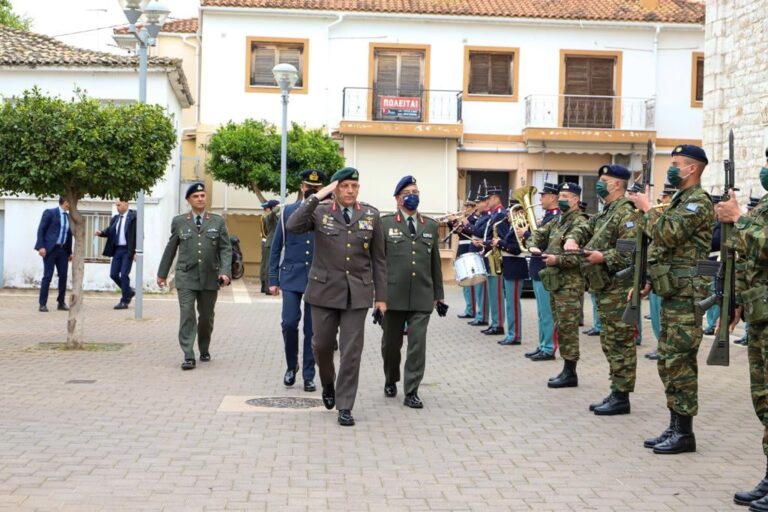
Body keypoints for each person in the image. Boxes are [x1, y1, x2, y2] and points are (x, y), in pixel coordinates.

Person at [285, 167, 387, 427]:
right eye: (344, 186)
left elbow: (379, 260)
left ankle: (345, 405)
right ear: (335, 188)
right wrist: (318, 196)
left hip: (358, 293)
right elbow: (292, 225)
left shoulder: (371, 215)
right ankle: (327, 384)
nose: (350, 190)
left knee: (351, 351)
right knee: (321, 346)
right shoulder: (319, 212)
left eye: (354, 185)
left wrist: (381, 298)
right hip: (323, 291)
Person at [630, 144, 713, 454]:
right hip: (672, 291)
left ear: (692, 169)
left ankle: (685, 433)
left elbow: (667, 235)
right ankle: (675, 425)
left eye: (676, 163)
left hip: (687, 295)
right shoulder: (680, 201)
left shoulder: (698, 203)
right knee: (667, 361)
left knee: (680, 363)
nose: (672, 168)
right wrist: (650, 277)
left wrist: (647, 208)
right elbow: (662, 248)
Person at [716, 153, 768, 510]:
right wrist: (733, 298)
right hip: (760, 312)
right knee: (764, 400)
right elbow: (747, 254)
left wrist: (739, 219)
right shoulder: (764, 206)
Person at [566, 165, 640, 415]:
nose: (599, 184)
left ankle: (622, 396)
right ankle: (615, 390)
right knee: (609, 342)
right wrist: (572, 237)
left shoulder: (627, 213)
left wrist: (603, 257)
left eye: (604, 180)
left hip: (619, 288)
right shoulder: (606, 211)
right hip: (604, 287)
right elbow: (586, 226)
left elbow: (628, 252)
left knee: (620, 343)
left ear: (618, 184)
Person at [380, 175, 444, 408]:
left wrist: (439, 295)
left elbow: (435, 263)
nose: (412, 196)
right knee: (390, 345)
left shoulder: (430, 225)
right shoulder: (385, 224)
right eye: (407, 193)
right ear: (397, 198)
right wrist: (377, 297)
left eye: (416, 192)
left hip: (421, 296)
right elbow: (378, 263)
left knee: (417, 344)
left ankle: (411, 391)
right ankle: (390, 378)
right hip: (392, 296)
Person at [157, 182, 232, 370]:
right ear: (189, 200)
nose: (200, 199)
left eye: (202, 195)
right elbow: (171, 248)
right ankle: (188, 354)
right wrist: (162, 274)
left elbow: (225, 249)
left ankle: (204, 347)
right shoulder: (179, 221)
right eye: (196, 196)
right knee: (187, 314)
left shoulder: (217, 221)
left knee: (206, 317)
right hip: (186, 276)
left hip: (209, 277)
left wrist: (225, 272)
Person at [268, 169, 325, 392]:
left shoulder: (326, 212)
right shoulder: (288, 212)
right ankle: (292, 366)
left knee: (312, 330)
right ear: (301, 187)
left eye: (317, 188)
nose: (312, 191)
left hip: (316, 277)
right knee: (289, 323)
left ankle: (309, 375)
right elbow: (276, 247)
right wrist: (273, 279)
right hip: (291, 275)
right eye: (308, 187)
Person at [528, 182, 589, 386]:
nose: (561, 198)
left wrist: (557, 260)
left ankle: (570, 371)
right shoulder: (558, 219)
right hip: (556, 282)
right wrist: (534, 245)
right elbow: (539, 232)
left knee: (568, 328)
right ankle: (566, 369)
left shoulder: (580, 222)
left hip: (570, 284)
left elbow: (579, 256)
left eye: (565, 195)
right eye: (560, 195)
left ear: (575, 199)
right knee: (561, 326)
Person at [522, 183, 560, 361]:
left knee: (547, 313)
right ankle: (543, 344)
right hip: (538, 269)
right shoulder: (547, 217)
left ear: (552, 198)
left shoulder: (556, 218)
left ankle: (549, 347)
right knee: (541, 313)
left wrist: (528, 234)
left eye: (543, 195)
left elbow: (545, 243)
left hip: (546, 269)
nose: (540, 199)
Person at [646, 184, 677, 360]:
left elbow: (666, 237)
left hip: (666, 273)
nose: (661, 200)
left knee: (663, 314)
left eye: (665, 197)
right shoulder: (660, 216)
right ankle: (660, 344)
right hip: (655, 271)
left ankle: (665, 346)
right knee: (655, 313)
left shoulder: (672, 218)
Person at [495, 198, 528, 345]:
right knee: (510, 303)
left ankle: (515, 335)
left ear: (520, 212)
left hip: (515, 267)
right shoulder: (511, 227)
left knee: (513, 304)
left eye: (512, 211)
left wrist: (500, 243)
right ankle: (512, 334)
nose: (508, 213)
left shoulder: (522, 226)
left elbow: (515, 249)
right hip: (509, 267)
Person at [95, 198, 137, 310]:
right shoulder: (115, 218)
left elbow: (139, 235)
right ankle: (128, 291)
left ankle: (124, 301)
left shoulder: (134, 217)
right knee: (113, 274)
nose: (117, 207)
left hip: (128, 250)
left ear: (126, 204)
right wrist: (101, 233)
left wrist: (135, 251)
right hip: (117, 250)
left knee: (123, 275)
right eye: (116, 205)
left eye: (119, 205)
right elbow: (110, 231)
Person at [475, 187, 505, 336]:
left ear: (496, 198)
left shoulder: (501, 215)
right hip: (489, 257)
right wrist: (483, 242)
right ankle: (495, 322)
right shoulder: (494, 215)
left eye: (489, 198)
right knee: (492, 294)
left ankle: (498, 324)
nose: (487, 202)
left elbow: (502, 238)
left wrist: (486, 243)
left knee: (497, 294)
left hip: (497, 258)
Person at [35, 197, 72, 312]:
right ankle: (42, 304)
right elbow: (41, 230)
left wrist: (69, 252)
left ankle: (61, 302)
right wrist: (41, 246)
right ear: (65, 202)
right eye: (69, 202)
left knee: (63, 276)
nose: (70, 205)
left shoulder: (69, 217)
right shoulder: (50, 213)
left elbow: (69, 235)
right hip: (50, 249)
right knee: (48, 276)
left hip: (62, 251)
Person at [451, 198, 478, 319]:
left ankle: (471, 309)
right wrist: (452, 221)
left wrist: (461, 222)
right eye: (464, 207)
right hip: (462, 250)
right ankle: (469, 308)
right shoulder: (464, 219)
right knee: (464, 282)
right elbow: (456, 231)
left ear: (473, 208)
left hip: (468, 250)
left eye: (468, 207)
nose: (465, 209)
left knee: (469, 283)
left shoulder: (474, 219)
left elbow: (470, 231)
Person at [260, 199, 279, 294]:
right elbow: (273, 213)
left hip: (272, 243)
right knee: (268, 266)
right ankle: (267, 288)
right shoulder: (270, 216)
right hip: (270, 243)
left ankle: (266, 287)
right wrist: (278, 207)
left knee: (268, 265)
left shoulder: (274, 216)